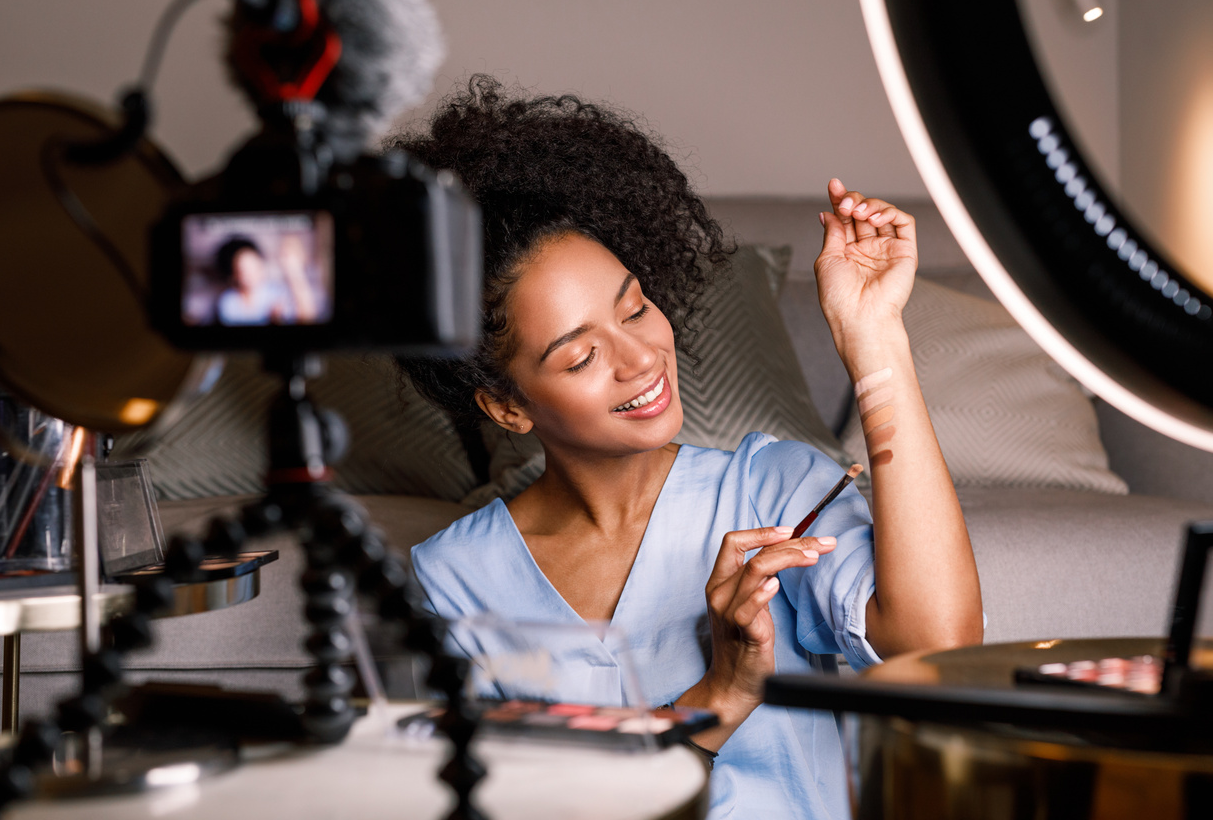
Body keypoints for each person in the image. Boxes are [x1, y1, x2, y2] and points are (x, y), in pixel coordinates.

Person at [397, 76, 982, 819]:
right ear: (507, 406)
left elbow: (937, 639)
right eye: (580, 357)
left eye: (636, 308)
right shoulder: (458, 575)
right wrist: (717, 698)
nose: (640, 358)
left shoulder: (772, 491)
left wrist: (874, 341)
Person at [214, 234, 320, 325]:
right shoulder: (228, 301)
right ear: (234, 275)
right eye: (244, 270)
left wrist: (294, 271)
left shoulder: (277, 292)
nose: (252, 274)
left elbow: (307, 318)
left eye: (255, 266)